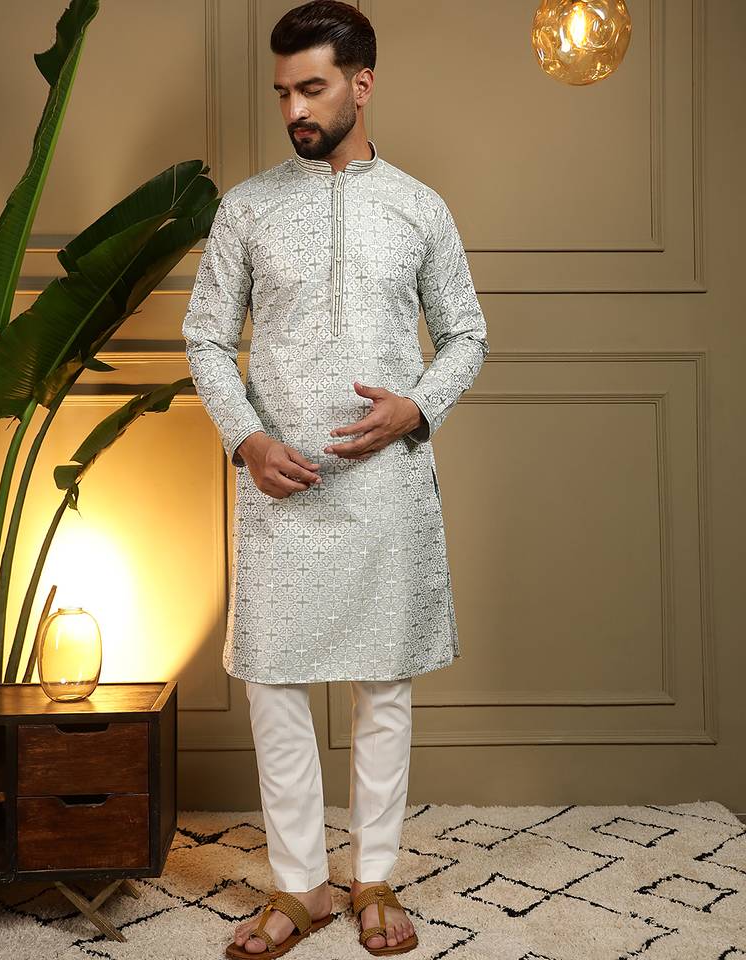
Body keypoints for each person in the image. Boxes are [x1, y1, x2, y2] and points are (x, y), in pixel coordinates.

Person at [182, 2, 489, 955]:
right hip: (280, 485)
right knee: (273, 683)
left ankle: (375, 877)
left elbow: (467, 334)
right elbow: (204, 336)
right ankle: (299, 887)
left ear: (362, 84)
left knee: (384, 684)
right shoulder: (247, 208)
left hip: (384, 484)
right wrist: (245, 440)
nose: (294, 110)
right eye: (282, 92)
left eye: (311, 88)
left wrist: (416, 407)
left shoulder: (420, 207)